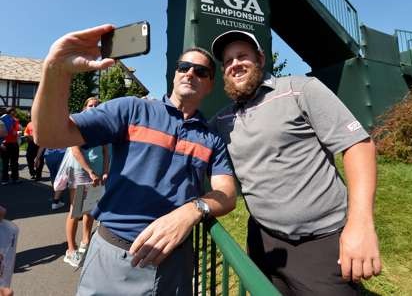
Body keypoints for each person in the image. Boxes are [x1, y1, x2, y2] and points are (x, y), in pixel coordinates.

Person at [32, 24, 237, 295]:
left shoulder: (212, 138)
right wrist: (56, 71)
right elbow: (50, 134)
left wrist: (192, 211)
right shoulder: (132, 108)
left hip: (173, 265)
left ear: (210, 84)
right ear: (174, 74)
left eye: (201, 71)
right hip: (112, 256)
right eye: (183, 66)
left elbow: (227, 193)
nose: (190, 73)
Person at [210, 30, 382, 295]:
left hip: (320, 245)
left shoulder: (299, 89)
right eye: (228, 61)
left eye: (242, 56)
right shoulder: (223, 121)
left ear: (261, 58)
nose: (235, 64)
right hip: (262, 242)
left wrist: (361, 225)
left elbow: (358, 145)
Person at [64, 97, 110, 268]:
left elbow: (106, 151)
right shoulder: (77, 123)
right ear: (84, 107)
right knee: (75, 211)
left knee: (89, 209)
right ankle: (71, 249)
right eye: (90, 105)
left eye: (97, 105)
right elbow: (75, 149)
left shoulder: (103, 126)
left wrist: (105, 171)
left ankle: (86, 241)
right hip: (80, 172)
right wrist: (90, 172)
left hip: (96, 173)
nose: (94, 108)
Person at [1, 108, 20, 185]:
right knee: (14, 162)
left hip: (5, 144)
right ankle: (14, 179)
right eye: (14, 111)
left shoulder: (2, 119)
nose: (15, 113)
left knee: (5, 162)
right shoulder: (14, 120)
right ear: (11, 112)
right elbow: (15, 132)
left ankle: (5, 180)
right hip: (12, 143)